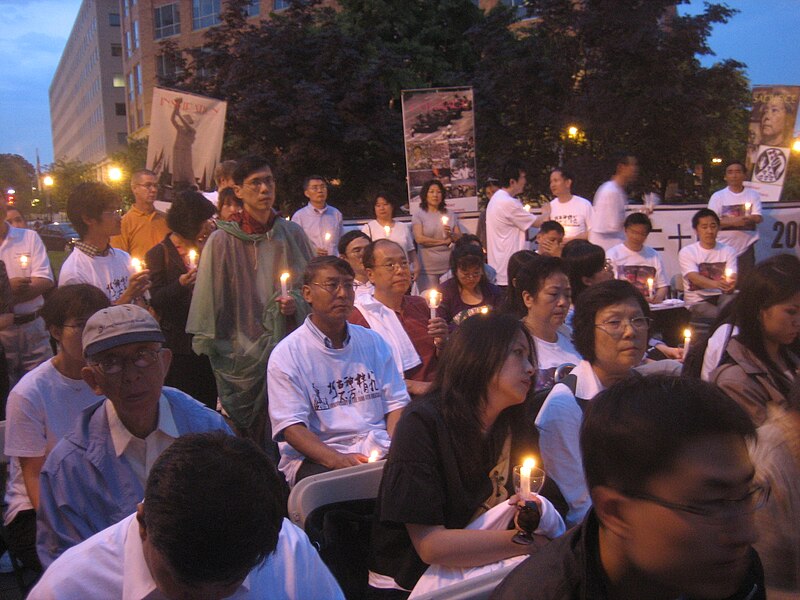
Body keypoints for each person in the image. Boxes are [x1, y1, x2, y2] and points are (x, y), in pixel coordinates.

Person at [493, 375, 767, 600]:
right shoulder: (540, 593)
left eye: (745, 495)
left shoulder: (731, 570)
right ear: (615, 512)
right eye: (711, 503)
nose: (748, 533)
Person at [369, 313, 565, 598]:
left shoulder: (515, 424)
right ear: (480, 358)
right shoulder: (422, 424)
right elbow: (431, 545)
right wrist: (526, 541)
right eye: (519, 354)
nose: (531, 368)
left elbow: (546, 501)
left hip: (491, 569)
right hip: (417, 582)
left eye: (529, 357)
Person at [28, 432, 345, 600]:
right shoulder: (70, 588)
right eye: (185, 594)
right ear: (143, 525)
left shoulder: (286, 552)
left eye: (229, 588)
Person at [36, 304, 232, 567]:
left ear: (165, 363)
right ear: (92, 380)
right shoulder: (68, 469)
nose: (131, 375)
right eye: (111, 362)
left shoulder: (209, 432)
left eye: (143, 355)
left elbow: (240, 521)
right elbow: (67, 570)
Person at [187, 156, 314, 447]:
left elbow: (310, 288)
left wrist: (295, 302)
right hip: (242, 352)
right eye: (255, 183)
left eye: (268, 181)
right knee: (254, 438)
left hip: (288, 343)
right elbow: (212, 306)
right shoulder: (222, 241)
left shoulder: (291, 233)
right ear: (238, 191)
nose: (264, 189)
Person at [267, 256, 409, 486]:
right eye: (332, 285)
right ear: (307, 293)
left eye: (348, 285)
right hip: (320, 457)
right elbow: (291, 428)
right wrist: (338, 460)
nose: (342, 294)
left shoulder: (372, 342)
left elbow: (396, 404)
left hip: (379, 448)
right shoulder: (287, 354)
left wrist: (395, 448)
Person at [3, 285, 110, 573]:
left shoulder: (109, 378)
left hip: (98, 498)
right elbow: (33, 476)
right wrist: (68, 531)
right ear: (54, 332)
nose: (91, 333)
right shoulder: (31, 392)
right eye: (80, 325)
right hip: (37, 511)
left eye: (98, 323)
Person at [536, 280, 649, 527]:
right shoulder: (566, 406)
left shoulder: (643, 390)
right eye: (614, 322)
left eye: (638, 320)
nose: (630, 331)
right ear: (588, 332)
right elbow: (581, 506)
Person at [145, 190, 217, 409]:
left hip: (205, 342)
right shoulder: (159, 253)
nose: (207, 226)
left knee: (207, 403)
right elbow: (157, 299)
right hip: (178, 345)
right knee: (182, 404)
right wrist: (181, 284)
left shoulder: (207, 249)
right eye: (203, 221)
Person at [349, 239, 448, 398]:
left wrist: (442, 343)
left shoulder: (421, 305)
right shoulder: (360, 316)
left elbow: (441, 359)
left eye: (404, 263)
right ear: (370, 274)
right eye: (390, 265)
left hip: (437, 393)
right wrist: (411, 385)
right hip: (396, 401)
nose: (401, 270)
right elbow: (360, 374)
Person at [711, 255, 800, 426]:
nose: (798, 321)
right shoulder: (735, 381)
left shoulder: (788, 357)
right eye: (791, 312)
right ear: (760, 310)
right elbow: (765, 447)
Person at [59, 182, 151, 305]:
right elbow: (90, 322)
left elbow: (141, 304)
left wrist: (140, 294)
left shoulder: (123, 257)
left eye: (118, 211)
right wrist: (128, 295)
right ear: (88, 219)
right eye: (112, 212)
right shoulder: (75, 273)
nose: (120, 218)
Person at [0, 201, 54, 387]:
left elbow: (45, 280)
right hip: (3, 335)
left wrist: (5, 296)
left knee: (44, 385)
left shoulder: (29, 237)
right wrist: (9, 289)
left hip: (33, 328)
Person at [517, 256, 580, 391]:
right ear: (528, 298)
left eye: (567, 295)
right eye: (553, 294)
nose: (563, 302)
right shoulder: (513, 343)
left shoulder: (574, 339)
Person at [486, 160, 543, 288]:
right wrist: (548, 210)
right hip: (509, 270)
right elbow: (538, 222)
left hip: (500, 268)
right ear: (512, 181)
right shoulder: (508, 202)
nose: (525, 181)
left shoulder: (497, 199)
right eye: (523, 177)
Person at [679, 208, 737, 332]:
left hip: (722, 296)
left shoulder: (729, 251)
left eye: (713, 226)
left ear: (718, 228)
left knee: (734, 304)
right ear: (696, 230)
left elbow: (732, 275)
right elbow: (694, 277)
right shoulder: (688, 252)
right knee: (726, 317)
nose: (709, 231)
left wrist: (730, 283)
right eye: (704, 227)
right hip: (697, 300)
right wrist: (717, 284)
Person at [708, 161, 763, 279]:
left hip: (746, 249)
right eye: (730, 172)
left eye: (738, 172)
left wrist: (748, 218)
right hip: (722, 247)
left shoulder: (753, 195)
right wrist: (734, 221)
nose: (734, 175)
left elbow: (757, 217)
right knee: (724, 282)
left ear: (744, 175)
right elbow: (711, 221)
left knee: (745, 284)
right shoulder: (718, 196)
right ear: (725, 176)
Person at [606, 212, 669, 303]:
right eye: (633, 232)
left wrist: (658, 298)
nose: (636, 237)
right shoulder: (613, 254)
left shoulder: (654, 255)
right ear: (625, 230)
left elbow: (662, 286)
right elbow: (610, 287)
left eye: (642, 234)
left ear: (647, 235)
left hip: (650, 305)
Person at [412, 179, 462, 291]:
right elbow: (419, 239)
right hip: (428, 269)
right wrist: (442, 242)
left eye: (438, 192)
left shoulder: (450, 214)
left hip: (448, 267)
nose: (435, 195)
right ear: (425, 195)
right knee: (429, 300)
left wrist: (451, 234)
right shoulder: (419, 215)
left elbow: (459, 237)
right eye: (431, 192)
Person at [110, 169, 170, 260]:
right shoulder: (123, 223)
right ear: (134, 189)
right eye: (148, 185)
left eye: (155, 186)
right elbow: (119, 259)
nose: (153, 190)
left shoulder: (166, 219)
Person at [437, 243, 503, 325]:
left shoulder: (493, 292)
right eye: (466, 274)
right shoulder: (445, 292)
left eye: (476, 273)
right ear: (455, 271)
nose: (471, 278)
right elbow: (441, 323)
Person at [362, 192, 419, 277]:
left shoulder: (402, 227)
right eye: (378, 205)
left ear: (392, 206)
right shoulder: (369, 228)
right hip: (381, 274)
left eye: (385, 204)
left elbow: (411, 251)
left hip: (402, 272)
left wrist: (416, 266)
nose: (382, 208)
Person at [589, 153, 638, 251]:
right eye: (632, 166)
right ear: (621, 167)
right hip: (608, 250)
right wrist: (638, 217)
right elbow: (613, 225)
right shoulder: (611, 192)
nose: (635, 170)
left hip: (612, 249)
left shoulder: (617, 190)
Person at [291, 175, 344, 256]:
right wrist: (311, 250)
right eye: (315, 188)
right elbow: (294, 244)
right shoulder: (299, 216)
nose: (320, 191)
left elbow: (341, 241)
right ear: (307, 193)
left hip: (333, 262)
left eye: (323, 187)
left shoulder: (336, 214)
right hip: (311, 263)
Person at [548, 168, 592, 242]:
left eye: (556, 181)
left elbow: (593, 231)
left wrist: (572, 240)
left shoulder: (584, 204)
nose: (552, 185)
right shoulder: (550, 207)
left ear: (568, 183)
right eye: (551, 182)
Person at [170, 97, 196, 186]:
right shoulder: (180, 129)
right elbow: (172, 119)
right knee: (177, 168)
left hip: (186, 151)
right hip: (177, 149)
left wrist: (179, 115)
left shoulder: (192, 131)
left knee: (187, 168)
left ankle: (191, 183)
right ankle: (177, 183)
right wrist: (176, 108)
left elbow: (188, 126)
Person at [339, 229, 373, 297]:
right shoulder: (342, 290)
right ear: (344, 258)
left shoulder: (386, 283)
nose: (364, 254)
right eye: (357, 251)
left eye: (367, 249)